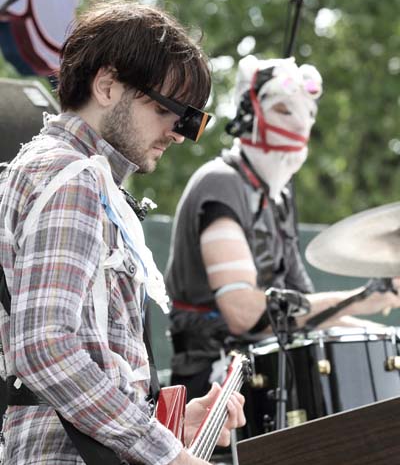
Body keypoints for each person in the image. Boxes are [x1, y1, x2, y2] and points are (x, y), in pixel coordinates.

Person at [0, 0, 245, 465]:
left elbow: (83, 356)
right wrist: (171, 456)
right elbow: (44, 348)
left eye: (194, 119)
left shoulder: (63, 172)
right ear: (108, 85)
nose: (182, 132)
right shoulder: (71, 175)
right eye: (170, 110)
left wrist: (176, 421)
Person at [165, 54, 400, 401]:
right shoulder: (221, 184)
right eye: (284, 110)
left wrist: (384, 334)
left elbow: (306, 312)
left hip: (270, 369)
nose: (299, 123)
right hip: (216, 383)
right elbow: (243, 314)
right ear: (248, 115)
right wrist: (358, 298)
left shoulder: (278, 195)